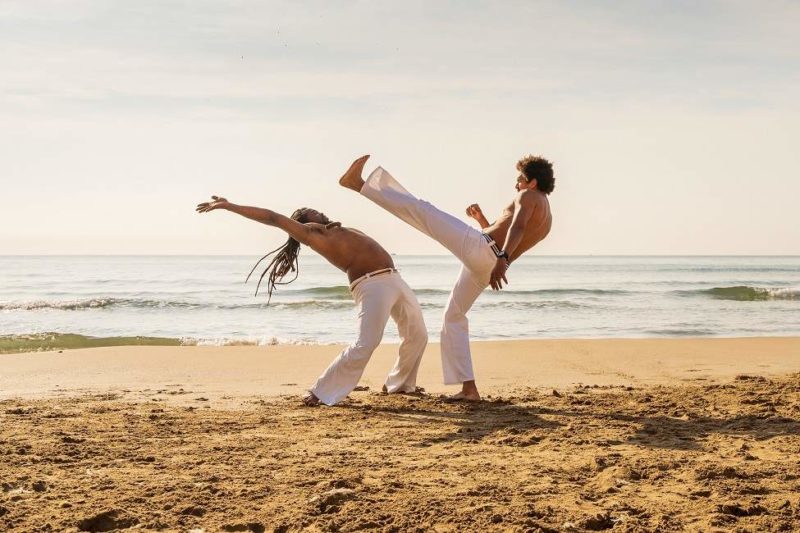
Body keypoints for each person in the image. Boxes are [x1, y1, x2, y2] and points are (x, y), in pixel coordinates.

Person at [339, 154, 554, 401]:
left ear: (533, 182)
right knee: (453, 317)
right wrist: (482, 221)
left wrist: (502, 260)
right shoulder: (547, 218)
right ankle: (469, 390)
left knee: (423, 211)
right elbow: (509, 232)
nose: (516, 184)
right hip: (488, 264)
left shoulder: (527, 196)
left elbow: (516, 227)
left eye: (520, 179)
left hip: (487, 253)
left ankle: (358, 184)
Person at [196, 196, 428, 406]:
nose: (318, 212)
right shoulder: (313, 235)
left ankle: (400, 385)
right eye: (311, 212)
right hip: (372, 285)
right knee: (365, 343)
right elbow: (273, 218)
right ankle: (321, 391)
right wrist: (229, 206)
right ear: (304, 223)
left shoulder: (337, 229)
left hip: (395, 278)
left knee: (417, 334)